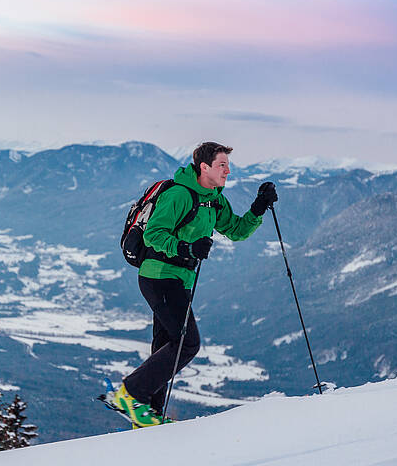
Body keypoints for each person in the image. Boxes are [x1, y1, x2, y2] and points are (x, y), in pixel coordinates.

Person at [113, 141, 277, 427]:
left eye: (227, 164)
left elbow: (236, 230)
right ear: (204, 167)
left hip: (179, 279)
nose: (228, 170)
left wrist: (259, 207)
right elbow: (154, 235)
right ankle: (130, 393)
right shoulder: (179, 194)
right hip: (159, 276)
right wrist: (187, 248)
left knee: (165, 344)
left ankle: (148, 416)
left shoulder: (214, 199)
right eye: (221, 165)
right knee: (188, 343)